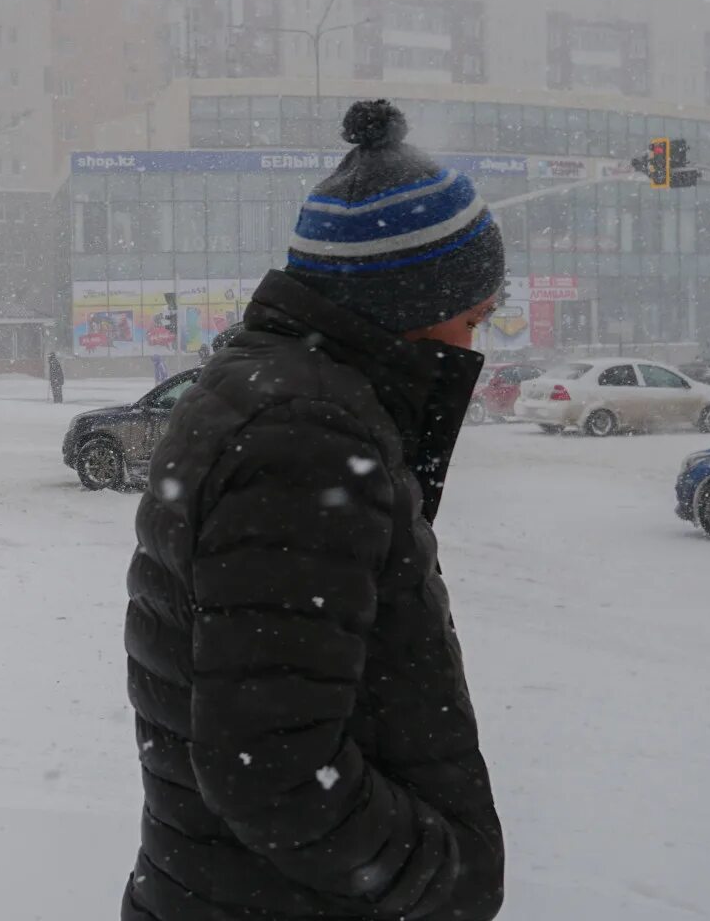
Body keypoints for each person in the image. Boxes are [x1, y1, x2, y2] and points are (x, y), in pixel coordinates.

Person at [121, 100, 506, 921]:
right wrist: (447, 873)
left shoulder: (270, 389)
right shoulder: (306, 436)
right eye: (473, 319)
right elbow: (274, 769)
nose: (476, 346)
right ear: (411, 307)